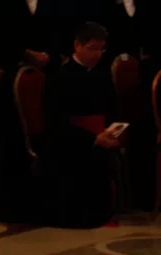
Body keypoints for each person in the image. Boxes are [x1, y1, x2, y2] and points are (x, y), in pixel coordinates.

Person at [38, 22, 123, 228]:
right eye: (92, 48)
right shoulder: (60, 77)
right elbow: (55, 121)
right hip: (71, 143)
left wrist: (115, 131)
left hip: (100, 136)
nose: (98, 54)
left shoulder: (102, 75)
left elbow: (113, 109)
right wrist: (93, 139)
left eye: (102, 49)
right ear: (77, 45)